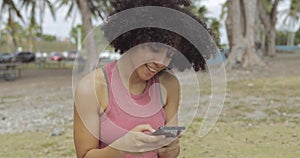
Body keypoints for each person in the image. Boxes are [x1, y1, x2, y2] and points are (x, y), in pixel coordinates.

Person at [74, 0, 217, 158]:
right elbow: (84, 155)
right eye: (155, 49)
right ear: (134, 39)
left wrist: (170, 148)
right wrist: (121, 148)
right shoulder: (91, 88)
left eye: (169, 54)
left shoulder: (169, 84)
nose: (162, 62)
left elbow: (170, 155)